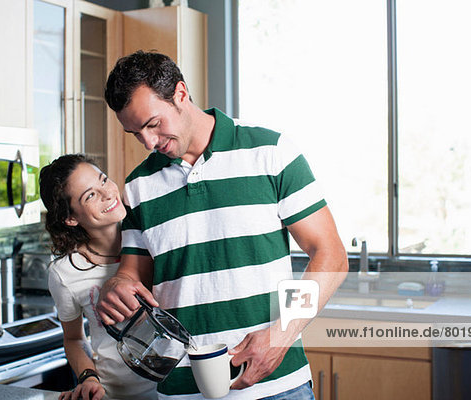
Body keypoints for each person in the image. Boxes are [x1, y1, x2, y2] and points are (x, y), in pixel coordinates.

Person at [96, 50, 349, 399]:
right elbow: (132, 274)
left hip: (275, 387)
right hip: (182, 390)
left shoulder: (271, 152)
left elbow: (331, 256)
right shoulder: (138, 186)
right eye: (135, 133)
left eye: (153, 124)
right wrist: (117, 287)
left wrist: (281, 336)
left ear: (181, 94)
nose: (149, 143)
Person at [39, 154, 158, 400]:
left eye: (103, 180)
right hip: (117, 395)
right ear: (70, 218)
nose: (107, 193)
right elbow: (73, 338)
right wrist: (88, 377)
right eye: (90, 195)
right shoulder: (64, 272)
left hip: (179, 391)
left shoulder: (153, 237)